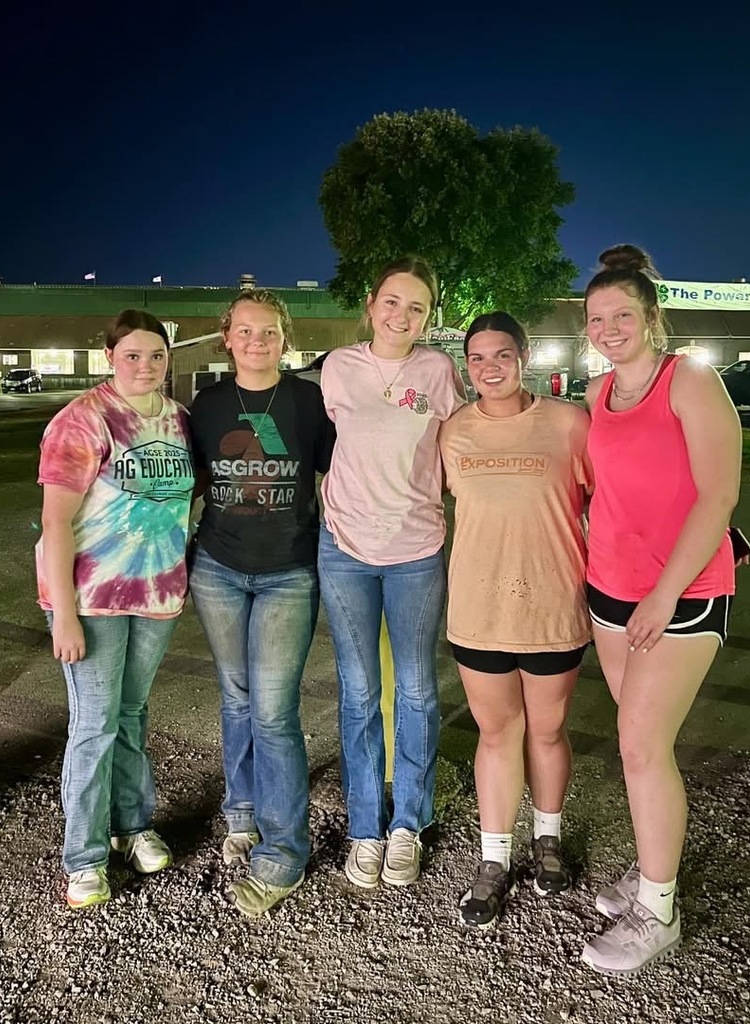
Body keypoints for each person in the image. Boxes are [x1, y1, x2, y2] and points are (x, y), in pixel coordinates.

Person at [579, 244, 741, 976]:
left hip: (678, 595)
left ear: (650, 318)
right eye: (596, 318)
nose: (608, 327)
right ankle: (653, 869)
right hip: (607, 590)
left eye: (622, 315)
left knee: (642, 748)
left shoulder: (690, 382)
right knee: (638, 744)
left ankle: (658, 911)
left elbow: (717, 496)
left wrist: (664, 591)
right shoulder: (594, 394)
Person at [439, 312, 593, 929]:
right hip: (478, 611)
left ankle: (547, 840)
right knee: (497, 733)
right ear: (466, 365)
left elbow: (612, 498)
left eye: (501, 355)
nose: (489, 368)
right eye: (477, 359)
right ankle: (494, 858)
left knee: (548, 731)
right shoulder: (454, 432)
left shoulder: (567, 423)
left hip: (554, 606)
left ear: (523, 357)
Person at [36, 309, 195, 909]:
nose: (145, 366)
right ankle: (83, 857)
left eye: (155, 356)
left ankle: (133, 826)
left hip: (155, 593)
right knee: (95, 724)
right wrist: (66, 613)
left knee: (131, 715)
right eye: (132, 355)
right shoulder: (83, 420)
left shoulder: (178, 420)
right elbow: (55, 520)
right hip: (93, 597)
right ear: (110, 357)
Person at [317, 255, 467, 888]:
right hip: (346, 548)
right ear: (371, 304)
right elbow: (336, 444)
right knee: (358, 693)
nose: (403, 315)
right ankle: (364, 828)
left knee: (414, 689)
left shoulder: (437, 371)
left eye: (417, 307)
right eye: (393, 302)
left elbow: (462, 444)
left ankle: (407, 820)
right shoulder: (339, 368)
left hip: (415, 549)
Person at [188, 288, 335, 919]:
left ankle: (284, 850)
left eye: (268, 332)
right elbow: (184, 483)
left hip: (287, 573)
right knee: (236, 695)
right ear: (227, 338)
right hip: (218, 568)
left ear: (285, 336)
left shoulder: (308, 401)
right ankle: (241, 812)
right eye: (244, 332)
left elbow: (340, 473)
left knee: (273, 711)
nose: (256, 342)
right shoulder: (208, 404)